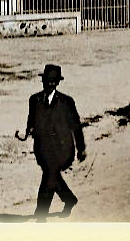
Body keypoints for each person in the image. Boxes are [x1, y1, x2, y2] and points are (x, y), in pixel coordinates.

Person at [25, 64, 86, 221]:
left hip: (62, 149)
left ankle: (40, 215)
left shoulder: (66, 102)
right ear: (43, 81)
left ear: (58, 82)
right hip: (42, 148)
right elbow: (31, 120)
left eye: (53, 81)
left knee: (50, 175)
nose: (50, 84)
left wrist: (81, 148)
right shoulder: (34, 100)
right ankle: (69, 199)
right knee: (51, 176)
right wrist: (29, 130)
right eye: (48, 80)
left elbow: (76, 126)